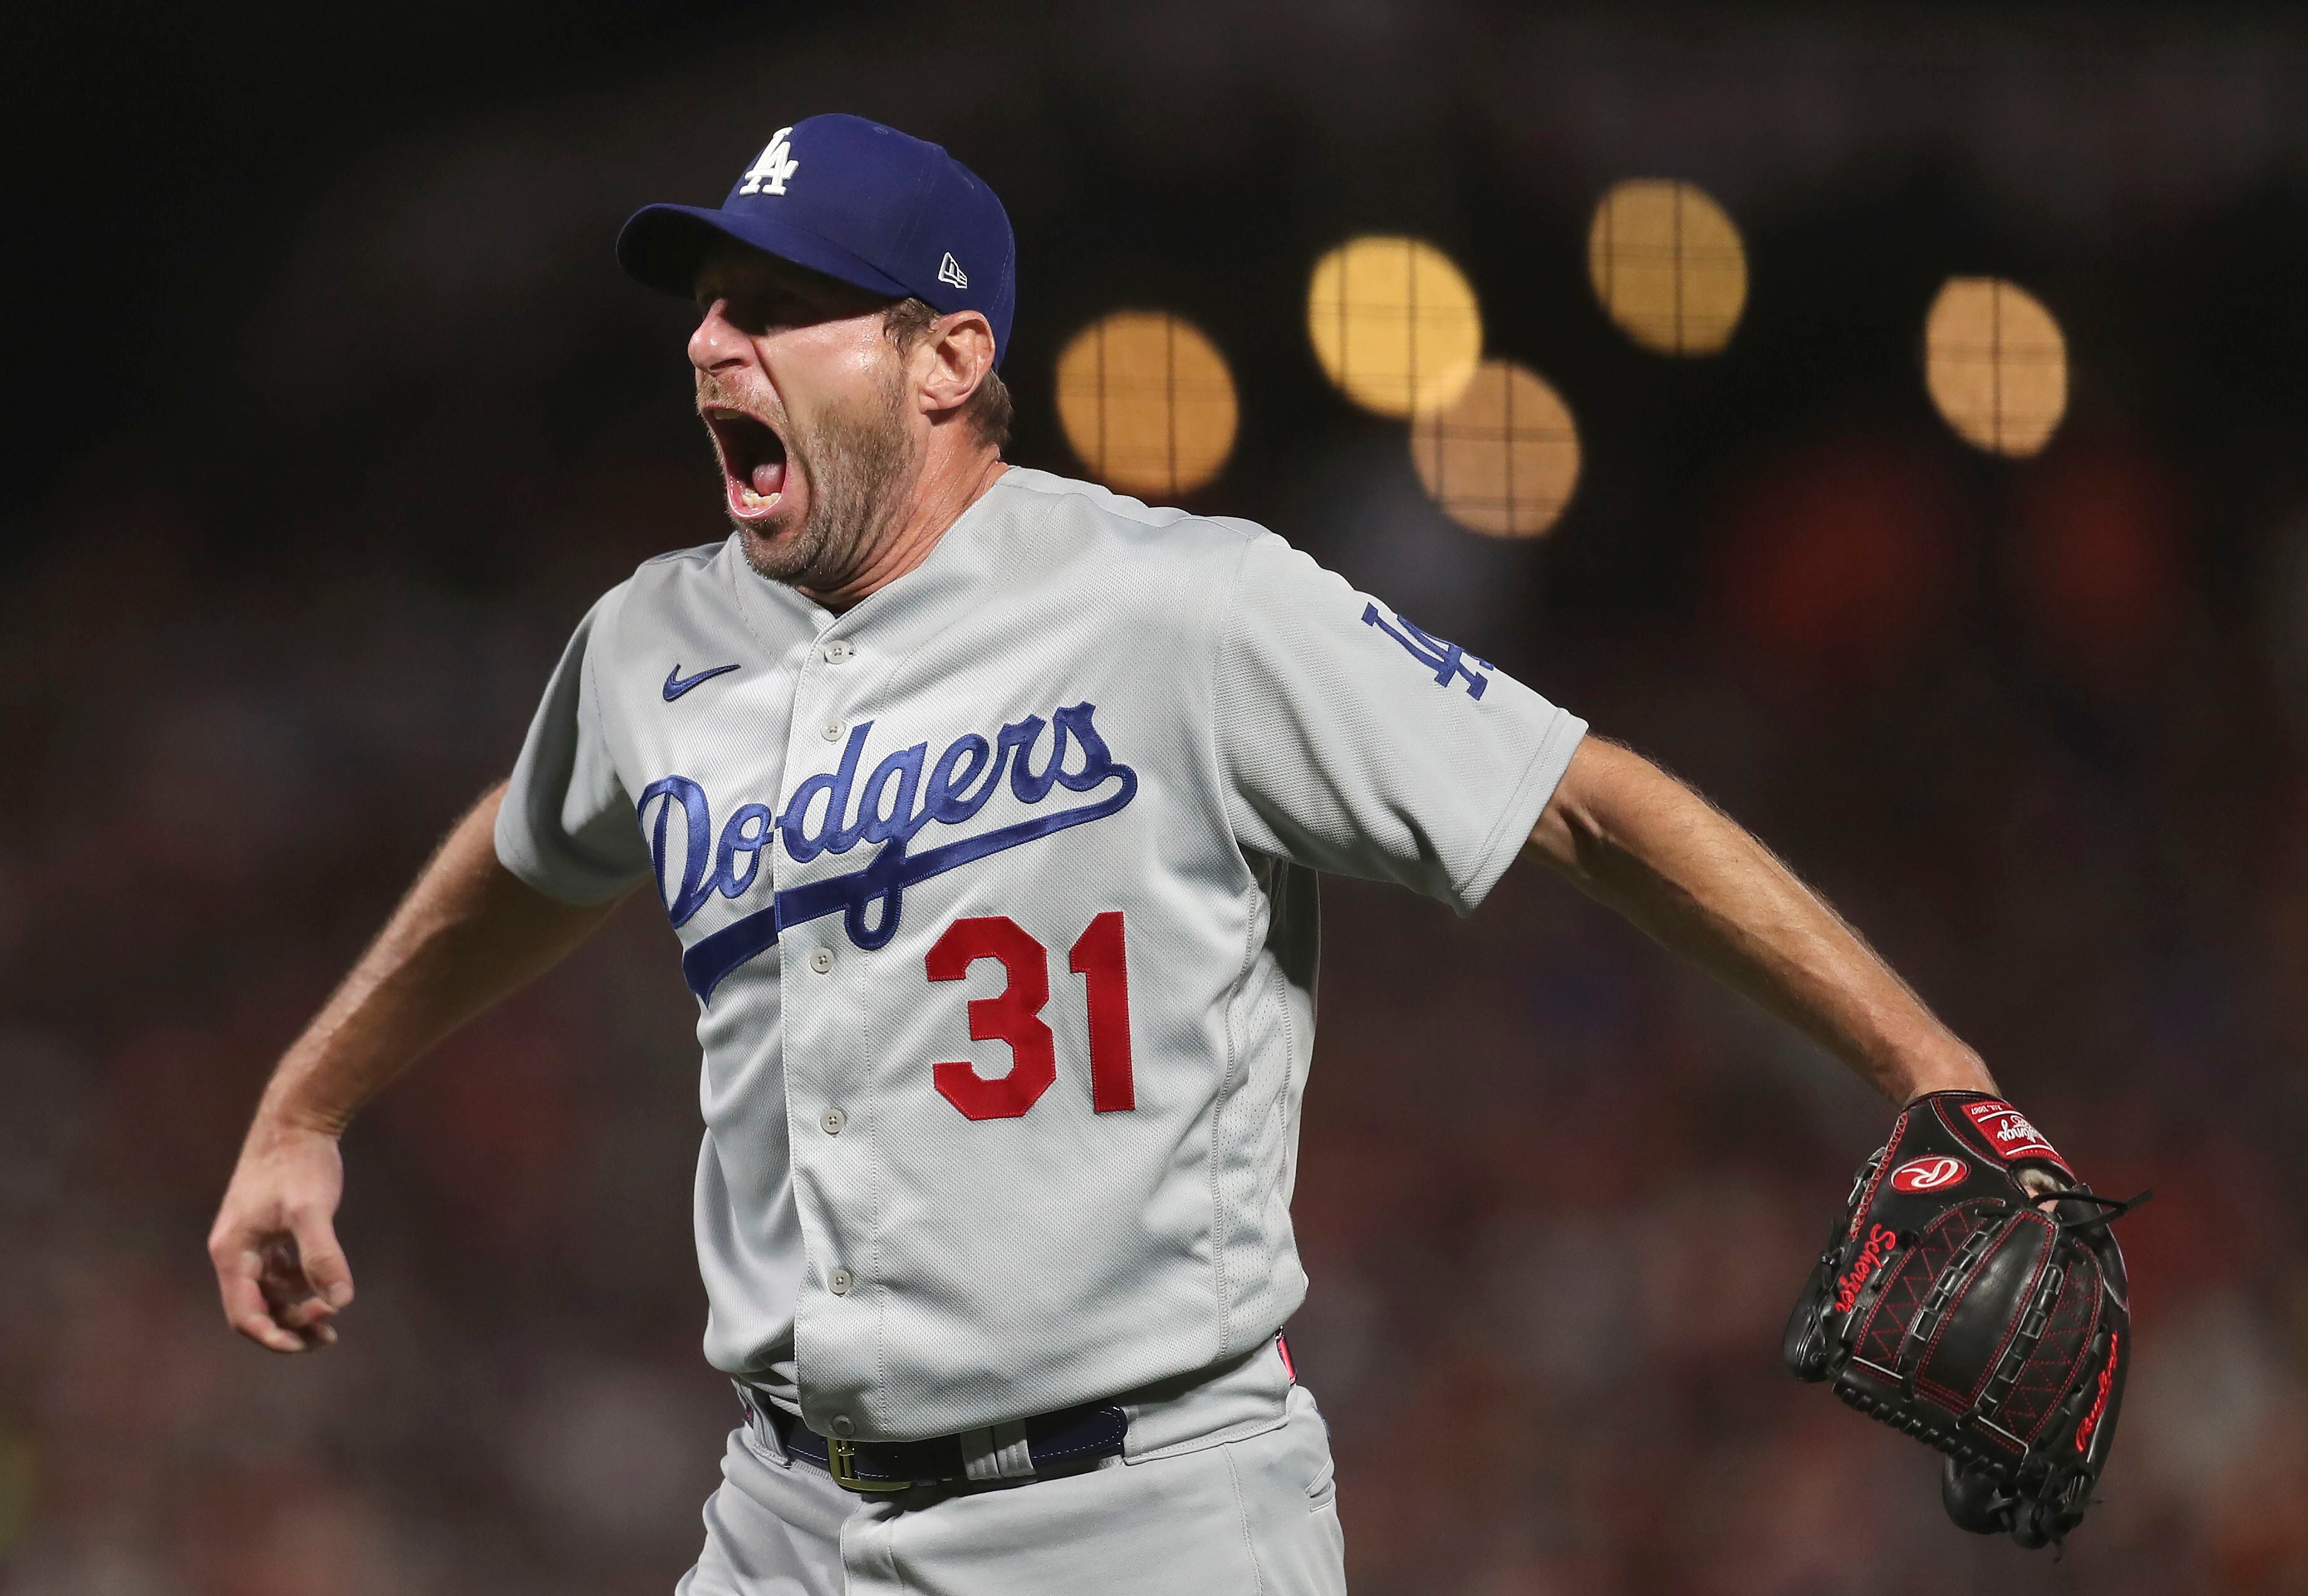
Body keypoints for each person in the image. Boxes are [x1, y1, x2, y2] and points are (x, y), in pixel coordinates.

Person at [209, 114, 2010, 1595]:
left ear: (948, 356)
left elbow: (1580, 801)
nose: (708, 341)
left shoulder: (1182, 610)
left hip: (1140, 1518)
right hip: (786, 1520)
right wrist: (309, 1102)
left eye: (775, 303)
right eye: (706, 305)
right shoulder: (651, 643)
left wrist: (1932, 1068)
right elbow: (537, 855)